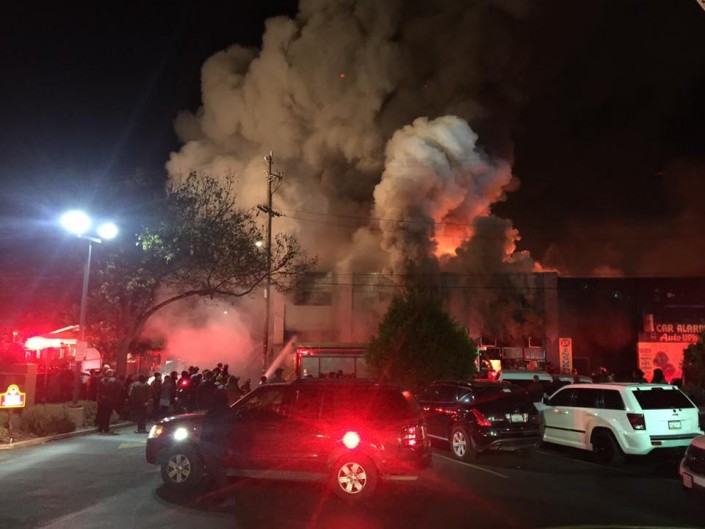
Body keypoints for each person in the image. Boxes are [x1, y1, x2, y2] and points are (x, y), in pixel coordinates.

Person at [200, 388, 234, 507]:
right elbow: (232, 431)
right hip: (223, 446)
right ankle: (204, 494)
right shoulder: (229, 412)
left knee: (218, 472)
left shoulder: (212, 413)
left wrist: (203, 444)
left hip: (212, 446)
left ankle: (228, 498)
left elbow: (207, 431)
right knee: (212, 471)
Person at [96, 369, 122, 434]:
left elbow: (98, 390)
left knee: (101, 414)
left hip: (102, 400)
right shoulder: (114, 381)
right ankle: (106, 428)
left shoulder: (101, 380)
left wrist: (99, 399)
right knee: (107, 415)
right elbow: (119, 389)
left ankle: (100, 428)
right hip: (110, 400)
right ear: (112, 374)